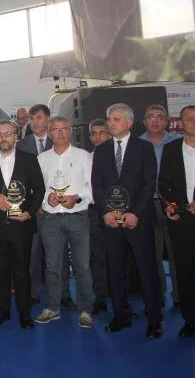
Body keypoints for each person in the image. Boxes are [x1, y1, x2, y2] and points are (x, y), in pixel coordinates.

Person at [92, 103, 161, 338]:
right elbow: (98, 185)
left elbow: (148, 184)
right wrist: (106, 212)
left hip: (138, 220)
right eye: (109, 119)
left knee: (147, 270)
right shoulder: (101, 151)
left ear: (130, 122)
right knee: (116, 269)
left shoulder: (144, 148)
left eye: (116, 119)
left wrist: (136, 213)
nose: (111, 123)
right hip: (112, 221)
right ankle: (121, 315)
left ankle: (154, 319)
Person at [36, 117, 95, 329]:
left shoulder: (83, 156)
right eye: (55, 130)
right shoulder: (41, 159)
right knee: (52, 266)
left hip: (77, 217)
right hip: (51, 218)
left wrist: (76, 198)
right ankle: (52, 307)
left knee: (83, 266)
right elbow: (37, 188)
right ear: (49, 133)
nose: (60, 133)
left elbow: (91, 187)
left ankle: (86, 310)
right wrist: (46, 199)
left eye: (64, 129)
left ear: (70, 132)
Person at [0, 120, 45, 329]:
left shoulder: (29, 160)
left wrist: (29, 212)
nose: (3, 138)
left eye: (8, 134)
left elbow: (39, 189)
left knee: (22, 271)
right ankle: (2, 310)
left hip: (21, 225)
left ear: (16, 136)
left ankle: (24, 313)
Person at [17, 104, 72, 308]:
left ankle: (64, 292)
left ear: (48, 119)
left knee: (59, 253)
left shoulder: (60, 140)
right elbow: (20, 179)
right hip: (34, 209)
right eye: (31, 119)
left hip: (59, 207)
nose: (34, 122)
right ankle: (34, 292)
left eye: (38, 117)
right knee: (33, 252)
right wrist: (34, 204)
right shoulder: (22, 145)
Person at [158, 105, 195, 338]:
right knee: (184, 269)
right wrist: (170, 204)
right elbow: (164, 184)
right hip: (182, 218)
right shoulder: (171, 149)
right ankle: (191, 318)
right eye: (190, 119)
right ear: (180, 123)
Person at [139, 104, 180, 307]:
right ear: (144, 121)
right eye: (150, 116)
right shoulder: (136, 145)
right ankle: (158, 295)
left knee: (176, 253)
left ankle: (180, 296)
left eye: (160, 116)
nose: (155, 120)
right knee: (152, 254)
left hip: (173, 205)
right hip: (147, 205)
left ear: (167, 121)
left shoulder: (178, 143)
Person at [88, 118, 111, 315]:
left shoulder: (119, 158)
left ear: (109, 134)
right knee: (97, 257)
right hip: (94, 212)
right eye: (94, 134)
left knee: (120, 255)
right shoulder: (87, 158)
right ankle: (100, 298)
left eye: (102, 132)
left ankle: (121, 299)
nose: (98, 137)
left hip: (118, 212)